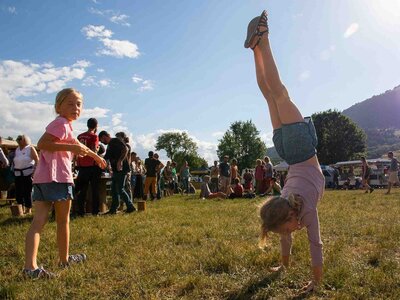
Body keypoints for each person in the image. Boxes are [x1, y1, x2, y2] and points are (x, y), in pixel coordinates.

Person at [246, 11, 325, 293]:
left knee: (278, 94)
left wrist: (316, 283)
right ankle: (256, 48)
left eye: (286, 228)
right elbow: (288, 234)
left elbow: (316, 245)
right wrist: (284, 264)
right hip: (285, 151)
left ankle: (264, 38)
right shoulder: (284, 202)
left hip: (300, 151)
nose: (289, 232)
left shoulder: (305, 210)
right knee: (272, 95)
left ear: (289, 216)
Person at [23, 88, 106, 279]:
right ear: (58, 106)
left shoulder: (65, 125)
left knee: (39, 222)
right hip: (57, 178)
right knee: (62, 221)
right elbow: (42, 143)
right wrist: (71, 147)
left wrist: (95, 157)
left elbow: (80, 147)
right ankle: (63, 260)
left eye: (78, 104)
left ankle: (30, 267)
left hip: (43, 179)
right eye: (70, 103)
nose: (75, 107)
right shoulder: (60, 123)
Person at [98, 131, 136, 213]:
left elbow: (125, 149)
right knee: (114, 190)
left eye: (101, 140)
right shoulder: (109, 146)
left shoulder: (115, 141)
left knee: (120, 189)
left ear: (104, 136)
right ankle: (113, 209)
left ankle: (130, 207)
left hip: (122, 169)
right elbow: (106, 158)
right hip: (115, 170)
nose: (101, 142)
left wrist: (120, 161)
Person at [75, 118, 102, 216]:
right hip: (92, 166)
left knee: (82, 190)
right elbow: (94, 150)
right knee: (95, 189)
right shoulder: (94, 136)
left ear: (87, 125)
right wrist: (98, 148)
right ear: (96, 126)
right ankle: (95, 211)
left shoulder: (80, 136)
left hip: (82, 166)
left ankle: (80, 211)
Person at [14, 134, 39, 214]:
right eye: (17, 139)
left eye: (20, 139)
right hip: (18, 173)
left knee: (27, 192)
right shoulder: (17, 149)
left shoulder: (30, 148)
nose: (18, 140)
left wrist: (34, 172)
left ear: (24, 140)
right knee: (18, 192)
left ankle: (28, 209)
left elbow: (37, 160)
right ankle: (20, 209)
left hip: (28, 173)